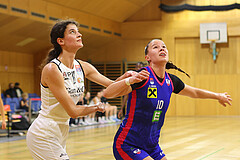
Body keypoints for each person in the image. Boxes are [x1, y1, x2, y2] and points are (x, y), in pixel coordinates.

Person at [103, 39, 232, 160]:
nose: (161, 48)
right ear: (147, 58)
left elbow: (195, 92)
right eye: (156, 47)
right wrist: (128, 80)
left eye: (163, 46)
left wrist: (218, 96)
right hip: (128, 144)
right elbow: (107, 93)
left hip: (152, 146)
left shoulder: (171, 81)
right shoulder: (142, 76)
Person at [26, 19, 131, 160]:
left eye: (78, 31)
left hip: (61, 130)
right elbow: (73, 111)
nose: (79, 34)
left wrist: (128, 79)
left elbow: (112, 86)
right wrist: (95, 107)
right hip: (44, 132)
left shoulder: (82, 66)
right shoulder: (52, 69)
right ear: (60, 41)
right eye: (72, 32)